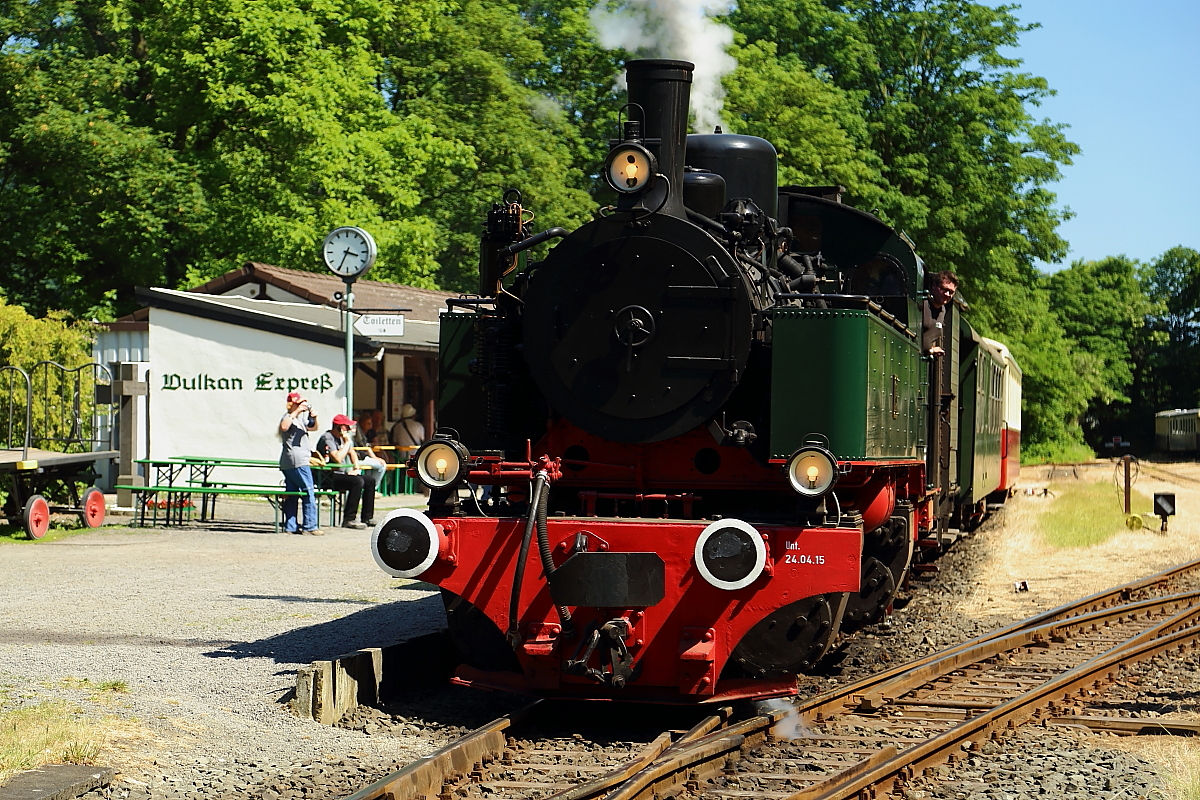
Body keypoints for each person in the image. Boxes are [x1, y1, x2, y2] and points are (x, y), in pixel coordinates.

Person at [316, 414, 375, 529]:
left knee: (369, 480)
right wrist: (347, 443)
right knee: (357, 482)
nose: (349, 430)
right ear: (339, 427)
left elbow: (352, 452)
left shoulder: (341, 439)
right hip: (327, 476)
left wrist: (356, 468)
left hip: (340, 474)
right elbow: (337, 458)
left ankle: (367, 517)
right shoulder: (327, 438)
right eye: (346, 427)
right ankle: (349, 519)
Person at [278, 391, 321, 535]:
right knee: (308, 490)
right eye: (298, 403)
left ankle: (290, 526)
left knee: (292, 492)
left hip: (293, 461)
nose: (301, 405)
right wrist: (296, 412)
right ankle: (310, 526)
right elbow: (284, 427)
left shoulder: (300, 421)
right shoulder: (288, 417)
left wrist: (313, 417)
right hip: (297, 461)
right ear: (291, 404)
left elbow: (313, 427)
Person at [922, 271, 959, 356]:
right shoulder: (922, 304)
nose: (947, 294)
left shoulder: (942, 311)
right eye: (944, 289)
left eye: (951, 292)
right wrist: (930, 351)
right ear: (934, 286)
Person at [353, 410, 388, 492]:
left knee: (380, 464)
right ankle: (371, 489)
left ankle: (370, 489)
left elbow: (373, 444)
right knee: (381, 465)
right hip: (358, 457)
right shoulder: (356, 428)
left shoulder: (369, 431)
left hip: (362, 456)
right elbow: (365, 446)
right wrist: (375, 458)